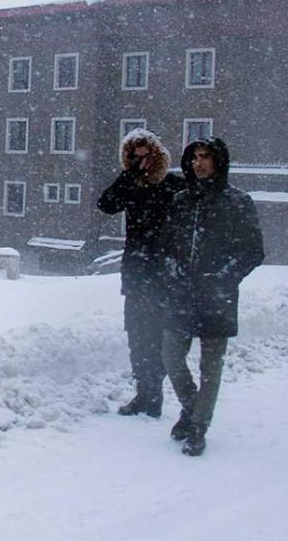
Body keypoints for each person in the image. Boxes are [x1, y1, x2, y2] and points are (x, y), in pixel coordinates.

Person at [160, 137, 264, 456]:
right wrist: (173, 269)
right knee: (170, 356)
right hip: (182, 296)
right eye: (193, 158)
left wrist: (222, 279)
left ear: (219, 162)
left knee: (211, 369)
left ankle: (198, 427)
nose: (198, 163)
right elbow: (166, 246)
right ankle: (192, 408)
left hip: (217, 299)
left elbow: (252, 251)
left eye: (205, 157)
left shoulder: (238, 202)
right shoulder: (180, 201)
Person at [97, 129, 186, 418]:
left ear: (157, 155)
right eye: (133, 156)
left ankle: (155, 393)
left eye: (145, 156)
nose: (140, 161)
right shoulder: (130, 186)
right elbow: (106, 204)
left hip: (163, 273)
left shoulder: (174, 186)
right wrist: (127, 176)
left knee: (158, 336)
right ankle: (144, 392)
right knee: (136, 335)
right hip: (136, 271)